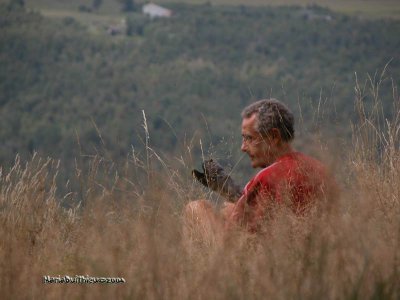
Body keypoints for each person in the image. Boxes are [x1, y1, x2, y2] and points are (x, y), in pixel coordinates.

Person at [186, 98, 336, 234]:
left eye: (249, 138)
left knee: (196, 208)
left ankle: (196, 265)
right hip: (313, 249)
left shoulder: (267, 177)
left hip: (269, 255)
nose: (243, 147)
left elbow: (233, 237)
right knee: (230, 210)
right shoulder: (321, 169)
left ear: (274, 137)